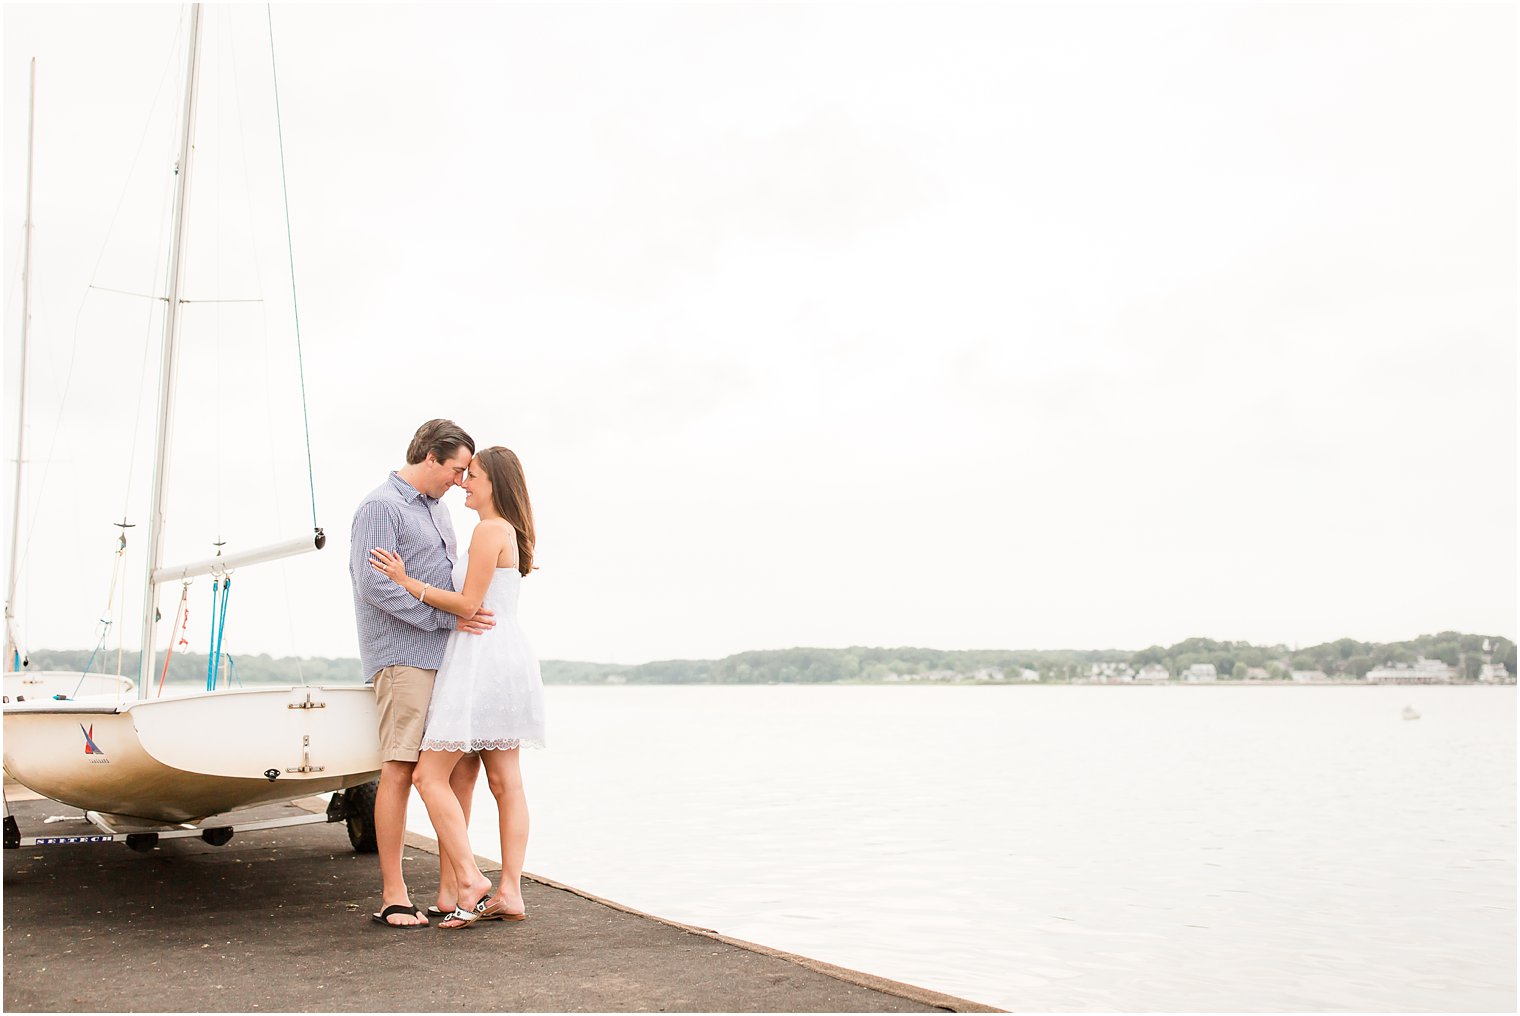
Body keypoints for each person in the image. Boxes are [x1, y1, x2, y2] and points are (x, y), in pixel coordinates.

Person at [369, 445, 546, 929]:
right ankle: (507, 890)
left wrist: (407, 581)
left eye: (474, 476)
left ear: (496, 483)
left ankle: (470, 881)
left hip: (482, 661)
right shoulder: (502, 531)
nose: (464, 483)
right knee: (502, 781)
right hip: (502, 656)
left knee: (430, 776)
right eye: (462, 473)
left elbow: (469, 604)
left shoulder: (490, 530)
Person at [350, 419, 494, 929]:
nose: (461, 481)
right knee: (402, 768)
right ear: (430, 457)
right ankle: (393, 895)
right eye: (456, 469)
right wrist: (447, 617)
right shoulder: (380, 507)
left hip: (446, 656)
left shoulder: (439, 513)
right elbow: (375, 587)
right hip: (403, 655)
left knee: (456, 770)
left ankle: (450, 890)